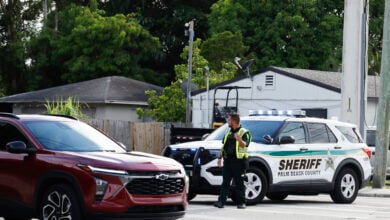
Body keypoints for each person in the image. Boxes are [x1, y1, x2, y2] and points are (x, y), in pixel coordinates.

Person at [214, 113, 252, 209]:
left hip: (239, 162)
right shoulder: (228, 131)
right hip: (228, 161)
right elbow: (224, 146)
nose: (228, 121)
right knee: (225, 183)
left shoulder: (244, 132)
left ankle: (242, 203)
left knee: (239, 183)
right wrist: (219, 158)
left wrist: (239, 140)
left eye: (229, 120)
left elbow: (245, 145)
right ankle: (221, 202)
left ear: (234, 121)